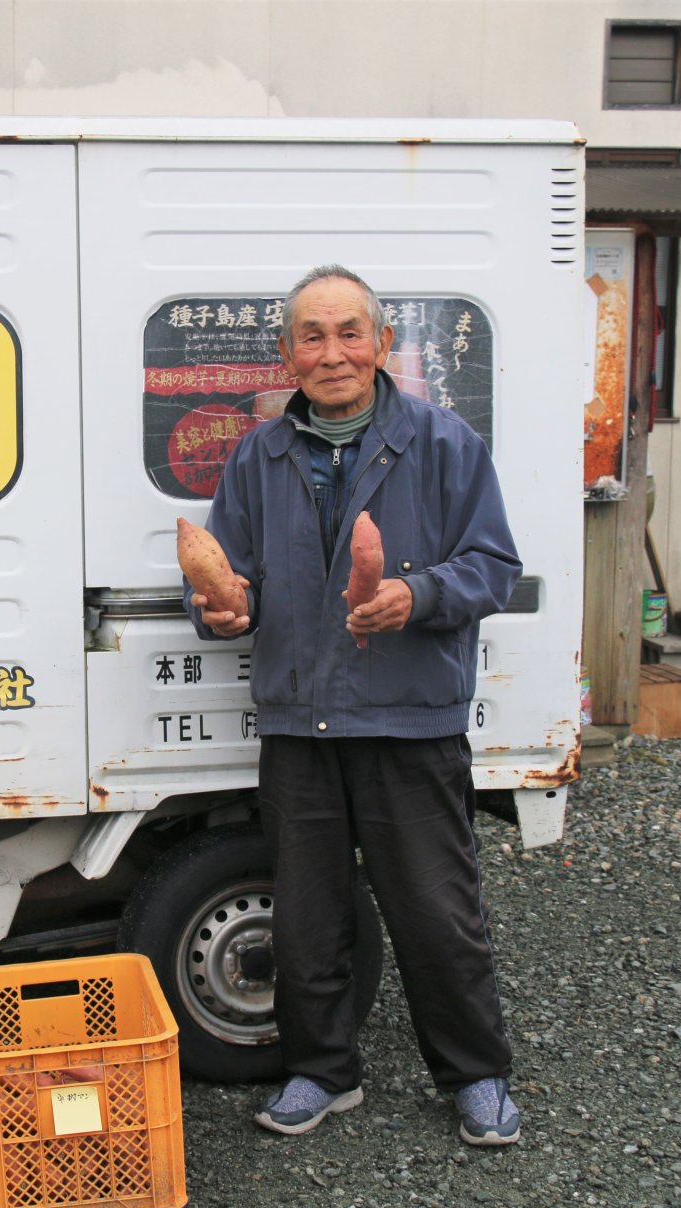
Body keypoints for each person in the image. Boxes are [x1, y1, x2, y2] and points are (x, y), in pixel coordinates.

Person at [184, 264, 523, 1147]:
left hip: (408, 717)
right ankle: (321, 1071)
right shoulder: (260, 455)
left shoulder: (444, 444)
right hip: (301, 720)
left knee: (436, 912)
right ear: (286, 352)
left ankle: (476, 1074)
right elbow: (230, 573)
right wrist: (221, 607)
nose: (331, 352)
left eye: (348, 332)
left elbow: (494, 566)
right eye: (310, 335)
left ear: (381, 344)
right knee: (305, 914)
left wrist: (417, 595)